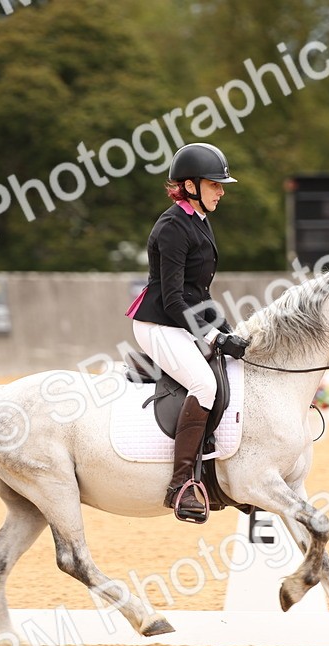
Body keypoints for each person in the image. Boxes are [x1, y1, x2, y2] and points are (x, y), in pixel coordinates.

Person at [127, 142, 250, 522]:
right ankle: (181, 484)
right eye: (215, 184)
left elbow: (202, 293)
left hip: (180, 319)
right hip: (157, 322)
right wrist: (212, 338)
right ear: (191, 185)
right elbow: (176, 299)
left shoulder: (198, 219)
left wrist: (232, 331)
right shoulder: (172, 227)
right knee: (205, 386)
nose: (222, 190)